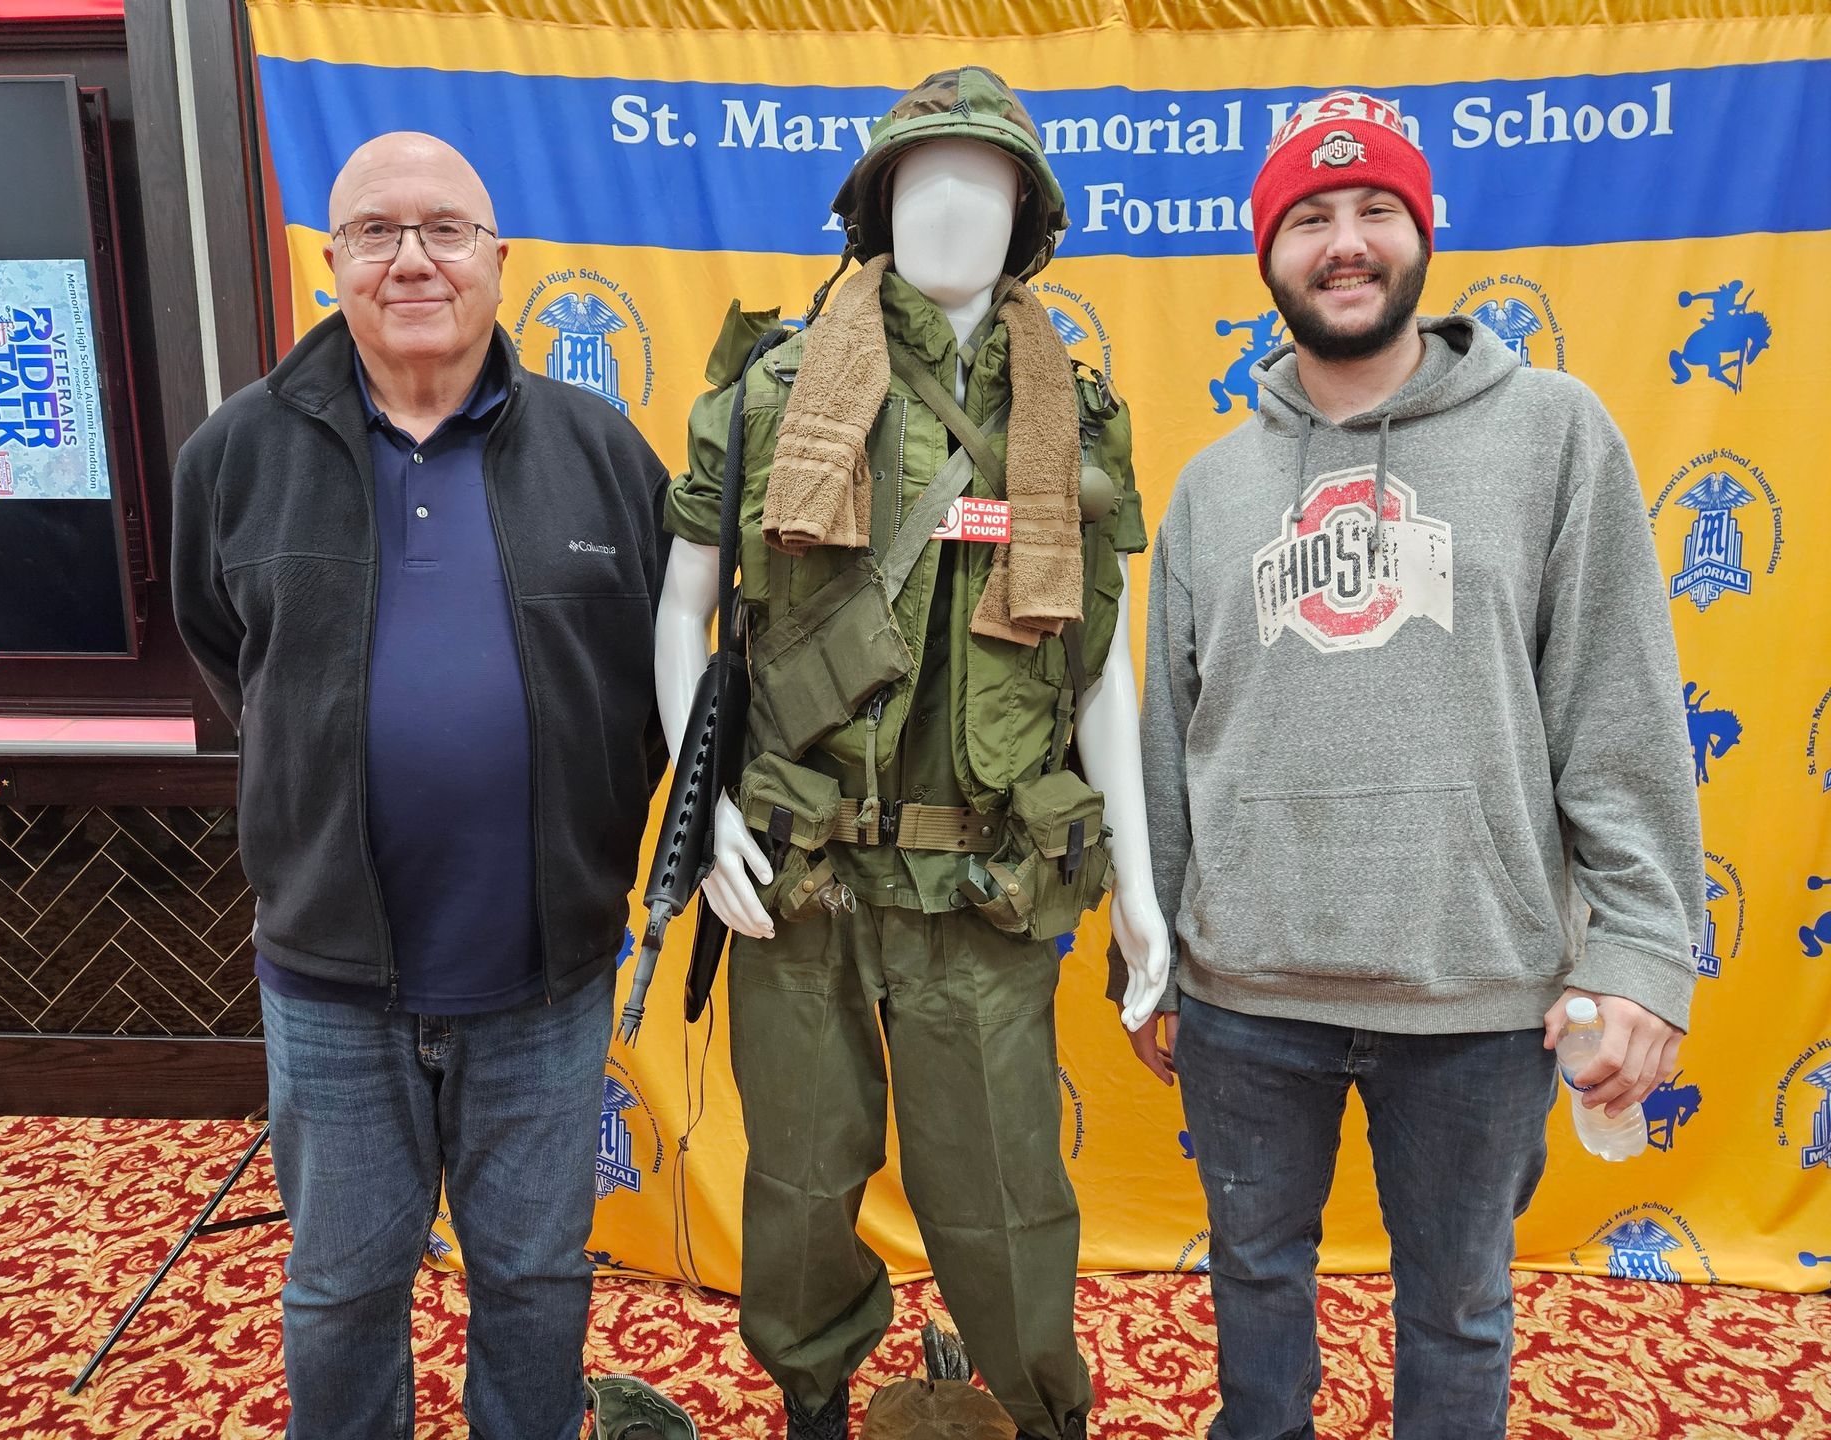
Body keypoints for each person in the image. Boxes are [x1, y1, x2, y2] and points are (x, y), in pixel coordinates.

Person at [1128, 92, 1703, 1440]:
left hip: (1475, 986)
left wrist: (1639, 952)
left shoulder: (1556, 433)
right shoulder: (1213, 485)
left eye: (1373, 209)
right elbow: (1169, 735)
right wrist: (1146, 949)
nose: (1344, 241)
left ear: (1422, 232)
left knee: (1457, 1312)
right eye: (1310, 218)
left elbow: (1618, 709)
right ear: (1267, 255)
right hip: (1245, 989)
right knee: (1253, 1291)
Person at [654, 68, 1172, 1440]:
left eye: (987, 186)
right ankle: (814, 1402)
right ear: (875, 213)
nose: (954, 212)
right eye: (923, 183)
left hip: (985, 884)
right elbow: (683, 613)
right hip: (800, 875)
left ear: (1030, 219)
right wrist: (701, 821)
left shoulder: (1077, 415)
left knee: (1004, 1201)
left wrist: (1143, 886)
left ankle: (1035, 1412)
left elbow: (1103, 663)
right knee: (803, 1189)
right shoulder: (766, 394)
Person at [170, 132, 670, 1440]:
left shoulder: (602, 451)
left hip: (546, 979)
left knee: (538, 1278)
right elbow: (231, 657)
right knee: (340, 1289)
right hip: (334, 985)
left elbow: (655, 683)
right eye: (374, 233)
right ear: (329, 261)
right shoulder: (234, 456)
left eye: (443, 229)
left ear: (498, 260)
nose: (411, 258)